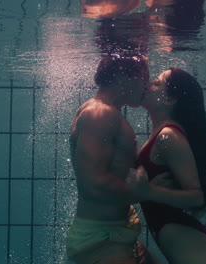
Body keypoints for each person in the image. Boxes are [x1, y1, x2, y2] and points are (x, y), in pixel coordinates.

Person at [126, 68, 206, 264]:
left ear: (170, 100)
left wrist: (149, 191)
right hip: (179, 236)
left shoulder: (168, 136)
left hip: (185, 239)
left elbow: (196, 197)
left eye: (156, 83)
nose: (148, 85)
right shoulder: (159, 136)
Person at [66, 56, 158, 264]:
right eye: (144, 76)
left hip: (115, 232)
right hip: (101, 240)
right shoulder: (99, 114)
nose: (148, 84)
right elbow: (93, 185)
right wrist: (150, 193)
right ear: (123, 75)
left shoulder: (108, 112)